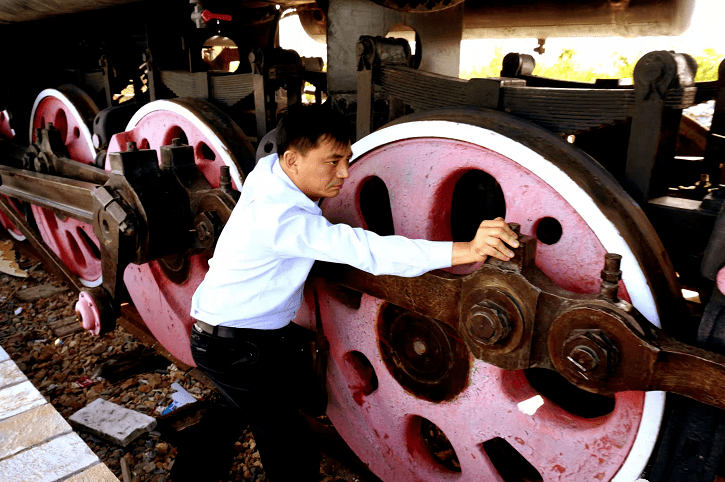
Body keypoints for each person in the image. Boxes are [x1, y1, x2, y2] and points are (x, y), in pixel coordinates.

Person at [189, 103, 519, 482]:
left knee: (234, 412)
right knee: (289, 445)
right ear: (293, 159)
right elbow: (370, 251)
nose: (345, 174)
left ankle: (189, 474)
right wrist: (468, 250)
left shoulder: (269, 174)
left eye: (347, 159)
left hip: (228, 337)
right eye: (332, 162)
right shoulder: (280, 218)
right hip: (236, 347)